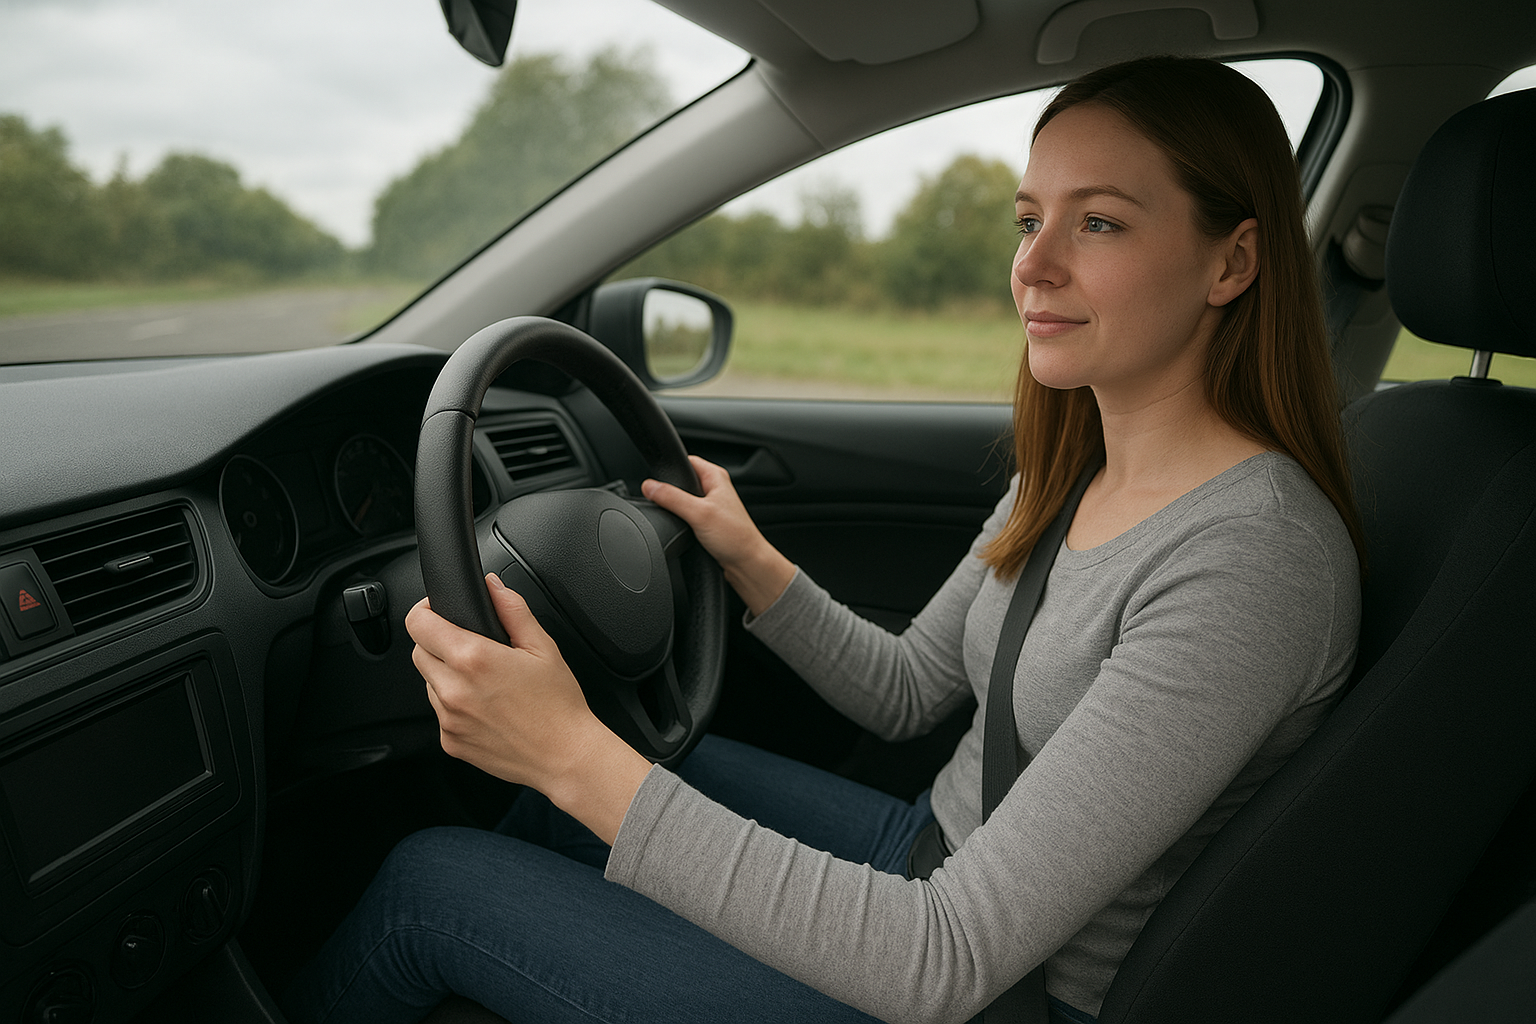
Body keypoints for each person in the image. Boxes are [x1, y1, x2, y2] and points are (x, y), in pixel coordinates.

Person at [284, 56, 1362, 1024]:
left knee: (433, 882)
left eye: (1102, 223)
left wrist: (572, 748)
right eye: (1030, 220)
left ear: (1232, 263)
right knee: (614, 785)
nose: (1033, 267)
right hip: (931, 855)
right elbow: (908, 689)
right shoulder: (1070, 464)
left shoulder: (1251, 561)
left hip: (995, 986)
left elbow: (942, 959)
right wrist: (744, 553)